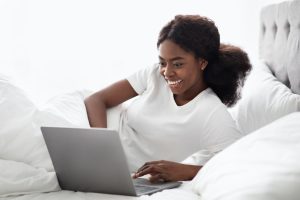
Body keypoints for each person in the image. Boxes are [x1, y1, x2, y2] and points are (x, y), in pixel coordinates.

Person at [84, 15, 252, 183]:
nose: (167, 72)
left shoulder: (211, 112)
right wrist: (102, 144)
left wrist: (186, 171)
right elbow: (96, 100)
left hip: (119, 172)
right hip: (92, 128)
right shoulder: (153, 74)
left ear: (202, 62)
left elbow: (238, 165)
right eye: (163, 62)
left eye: (178, 64)